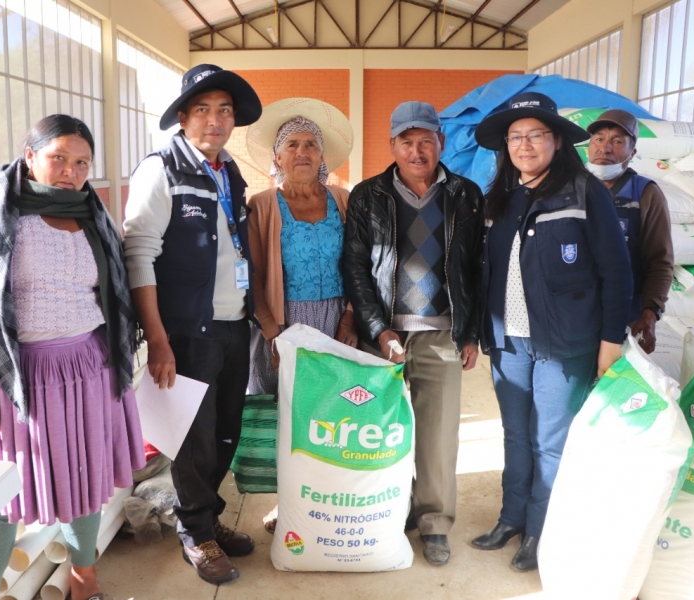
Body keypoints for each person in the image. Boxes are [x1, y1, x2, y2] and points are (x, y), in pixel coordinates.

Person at [0, 115, 145, 600]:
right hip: (15, 377)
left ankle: (84, 577)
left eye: (81, 163)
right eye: (58, 158)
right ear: (29, 155)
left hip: (88, 368)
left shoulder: (91, 211)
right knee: (1, 492)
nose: (70, 171)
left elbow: (111, 294)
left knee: (86, 475)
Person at [469, 92, 632, 571]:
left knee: (550, 441)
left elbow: (617, 271)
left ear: (557, 140)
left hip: (566, 344)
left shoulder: (585, 192)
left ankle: (541, 530)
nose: (524, 145)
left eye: (536, 134)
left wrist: (610, 342)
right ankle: (511, 517)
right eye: (515, 137)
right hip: (510, 342)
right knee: (515, 435)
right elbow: (486, 270)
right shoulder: (500, 197)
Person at [122, 64, 261, 585]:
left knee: (226, 432)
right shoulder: (161, 170)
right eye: (202, 109)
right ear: (183, 117)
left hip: (234, 324)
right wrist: (158, 340)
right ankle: (195, 534)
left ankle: (208, 518)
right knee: (192, 438)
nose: (215, 120)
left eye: (224, 110)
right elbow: (139, 254)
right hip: (186, 333)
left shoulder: (230, 172)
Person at [343, 101, 485, 567]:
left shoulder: (465, 194)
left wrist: (471, 332)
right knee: (379, 433)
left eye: (426, 140)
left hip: (443, 334)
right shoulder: (368, 196)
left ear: (441, 143)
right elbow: (357, 270)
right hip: (384, 338)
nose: (417, 150)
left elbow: (476, 268)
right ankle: (387, 511)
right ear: (393, 146)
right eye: (407, 141)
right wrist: (377, 328)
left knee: (438, 436)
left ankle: (434, 524)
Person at [244, 97, 357, 533]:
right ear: (277, 156)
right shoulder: (263, 204)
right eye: (292, 144)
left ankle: (327, 496)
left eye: (311, 144)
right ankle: (286, 501)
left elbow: (359, 266)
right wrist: (274, 332)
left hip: (335, 322)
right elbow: (252, 275)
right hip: (282, 323)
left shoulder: (344, 200)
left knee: (331, 415)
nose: (303, 152)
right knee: (285, 415)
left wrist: (349, 321)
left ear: (322, 156)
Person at [586, 109, 674, 353]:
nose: (605, 148)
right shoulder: (571, 187)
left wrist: (650, 313)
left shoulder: (645, 194)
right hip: (575, 318)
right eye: (599, 139)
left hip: (626, 319)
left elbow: (660, 261)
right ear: (588, 147)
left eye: (617, 141)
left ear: (632, 152)